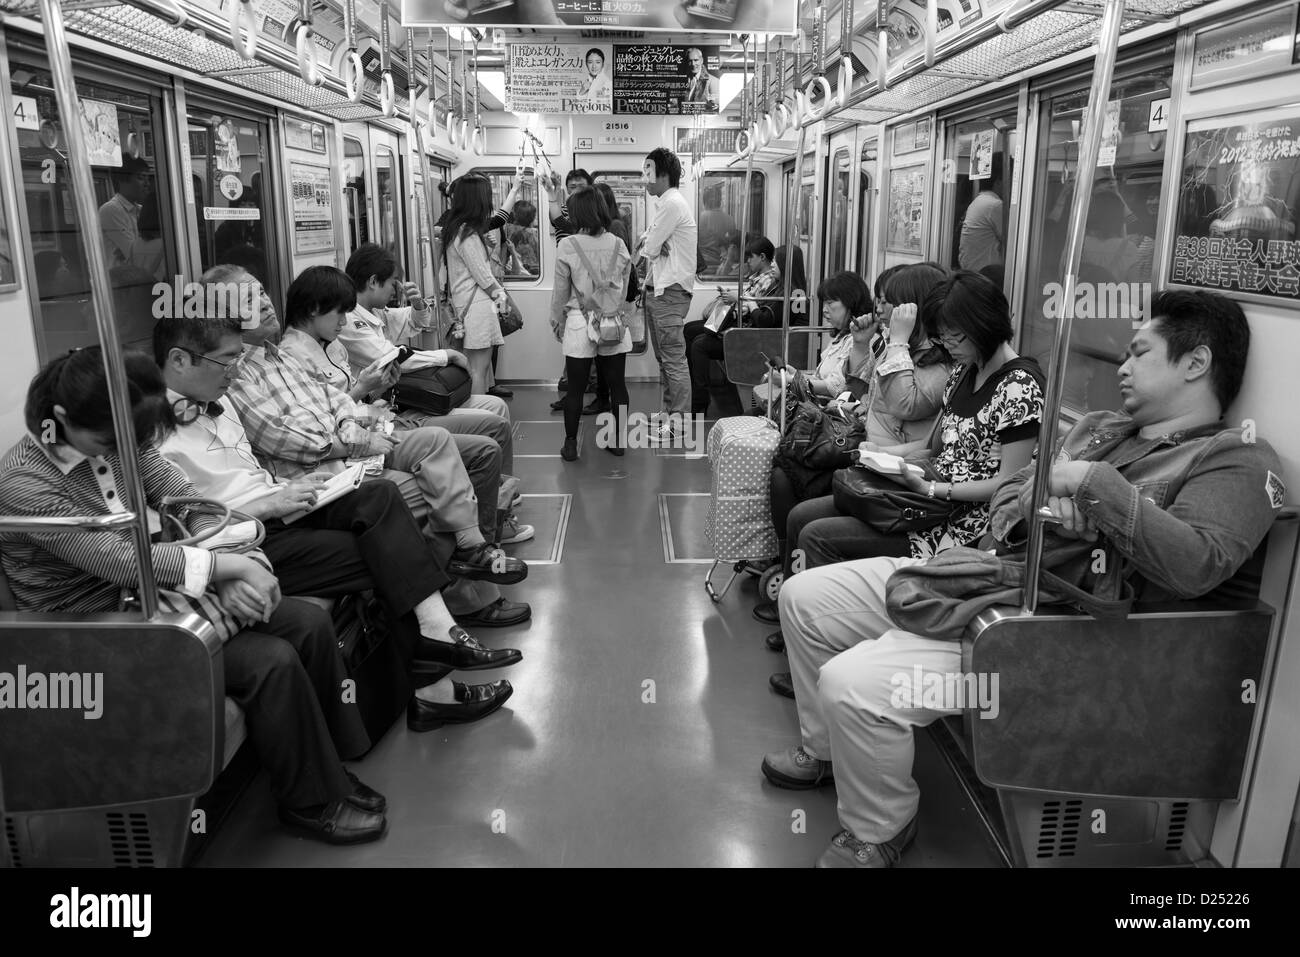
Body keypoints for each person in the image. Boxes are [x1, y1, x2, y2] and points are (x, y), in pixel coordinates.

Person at [763, 289, 1285, 868]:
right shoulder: (1099, 429)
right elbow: (1011, 493)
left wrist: (1092, 488)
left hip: (1046, 632)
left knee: (851, 683)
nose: (1125, 366)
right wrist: (1054, 500)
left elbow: (1195, 564)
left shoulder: (1234, 460)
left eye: (1140, 353)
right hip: (985, 574)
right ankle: (826, 751)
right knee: (803, 596)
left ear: (1196, 363)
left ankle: (880, 826)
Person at [0, 348, 386, 845]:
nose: (115, 453)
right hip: (91, 629)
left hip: (151, 598)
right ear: (60, 420)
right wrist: (231, 566)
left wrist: (219, 560)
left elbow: (189, 501)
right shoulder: (26, 483)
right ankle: (309, 801)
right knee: (271, 660)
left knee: (306, 625)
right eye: (107, 442)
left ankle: (330, 768)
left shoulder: (116, 437)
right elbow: (119, 560)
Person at [154, 314, 521, 728]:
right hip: (243, 537)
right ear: (179, 361)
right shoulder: (153, 431)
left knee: (379, 497)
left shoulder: (217, 403)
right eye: (225, 362)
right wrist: (269, 503)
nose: (235, 372)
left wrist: (281, 487)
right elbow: (189, 522)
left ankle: (438, 649)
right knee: (389, 552)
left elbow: (251, 467)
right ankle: (436, 666)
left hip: (279, 503)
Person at [762, 271, 1045, 692]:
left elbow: (1010, 483)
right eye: (943, 335)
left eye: (953, 335)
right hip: (925, 493)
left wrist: (933, 489)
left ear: (982, 326)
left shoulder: (1020, 386)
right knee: (805, 513)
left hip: (957, 523)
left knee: (820, 536)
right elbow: (932, 448)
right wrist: (877, 459)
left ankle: (827, 658)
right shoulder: (963, 373)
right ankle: (808, 642)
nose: (946, 344)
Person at [214, 266, 530, 628]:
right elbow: (294, 439)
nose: (266, 303)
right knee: (434, 486)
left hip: (366, 429)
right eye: (250, 299)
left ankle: (471, 553)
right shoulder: (241, 372)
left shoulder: (281, 357)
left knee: (468, 440)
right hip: (329, 467)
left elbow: (338, 404)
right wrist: (354, 428)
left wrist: (353, 418)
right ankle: (450, 599)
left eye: (262, 292)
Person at [759, 265, 953, 653]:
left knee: (801, 502)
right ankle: (793, 602)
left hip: (894, 472)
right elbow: (856, 388)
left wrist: (895, 343)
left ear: (913, 312)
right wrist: (864, 345)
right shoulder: (890, 346)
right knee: (789, 478)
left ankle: (813, 625)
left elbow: (906, 403)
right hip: (864, 448)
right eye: (880, 301)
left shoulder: (938, 363)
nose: (882, 311)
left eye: (891, 304)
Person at [334, 245, 523, 499]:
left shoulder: (375, 311)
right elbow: (391, 357)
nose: (394, 289)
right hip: (390, 410)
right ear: (372, 282)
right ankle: (494, 499)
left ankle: (500, 494)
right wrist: (447, 356)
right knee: (491, 428)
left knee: (496, 407)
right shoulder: (351, 323)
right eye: (391, 283)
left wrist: (418, 304)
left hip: (392, 403)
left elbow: (415, 323)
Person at [550, 186, 633, 462]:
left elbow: (560, 291)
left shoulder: (567, 245)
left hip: (578, 320)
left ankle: (570, 445)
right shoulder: (619, 244)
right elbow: (623, 288)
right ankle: (619, 442)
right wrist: (615, 310)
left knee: (574, 388)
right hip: (612, 322)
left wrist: (557, 321)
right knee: (618, 386)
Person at [686, 236, 781, 417]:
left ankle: (699, 399)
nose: (747, 261)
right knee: (691, 332)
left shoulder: (767, 280)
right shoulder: (756, 278)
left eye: (750, 257)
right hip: (740, 323)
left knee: (698, 343)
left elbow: (753, 309)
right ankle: (696, 392)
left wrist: (735, 300)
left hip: (746, 331)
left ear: (762, 257)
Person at [640, 147, 697, 438]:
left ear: (663, 175)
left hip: (670, 293)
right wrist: (650, 242)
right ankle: (667, 412)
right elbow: (647, 243)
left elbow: (648, 248)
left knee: (674, 359)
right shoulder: (666, 204)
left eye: (648, 172)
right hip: (660, 290)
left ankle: (679, 423)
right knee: (665, 358)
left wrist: (651, 243)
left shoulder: (671, 204)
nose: (645, 178)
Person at [442, 174, 514, 397]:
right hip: (478, 308)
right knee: (478, 371)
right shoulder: (467, 233)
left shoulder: (456, 229)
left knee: (474, 370)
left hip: (466, 304)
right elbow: (483, 276)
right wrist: (503, 302)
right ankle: (481, 420)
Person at [98, 156, 152, 268]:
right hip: (120, 281)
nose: (147, 184)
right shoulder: (111, 210)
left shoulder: (141, 210)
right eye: (141, 178)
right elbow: (137, 256)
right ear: (122, 180)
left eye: (148, 179)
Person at [957, 153, 1005, 274]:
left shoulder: (978, 201)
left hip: (972, 273)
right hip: (986, 275)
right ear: (999, 181)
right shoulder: (995, 205)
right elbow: (1012, 243)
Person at [697, 185, 736, 274]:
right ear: (720, 201)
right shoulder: (729, 219)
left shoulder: (699, 218)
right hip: (722, 265)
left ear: (705, 201)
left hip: (702, 264)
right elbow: (732, 244)